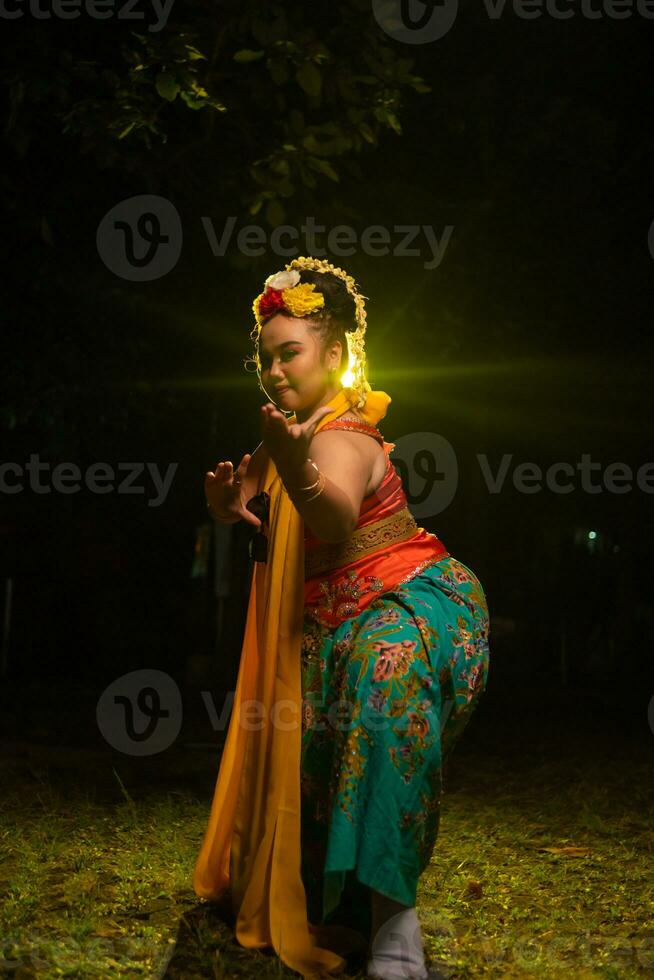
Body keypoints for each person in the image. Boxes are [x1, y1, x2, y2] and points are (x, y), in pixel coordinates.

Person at [192, 256, 491, 980]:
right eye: (264, 359)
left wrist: (298, 474)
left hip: (412, 604)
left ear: (334, 355)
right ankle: (359, 907)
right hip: (329, 628)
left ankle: (398, 918)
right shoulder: (289, 432)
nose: (274, 370)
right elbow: (264, 493)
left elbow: (332, 513)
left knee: (382, 691)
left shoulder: (342, 438)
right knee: (312, 775)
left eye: (289, 353)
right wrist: (229, 507)